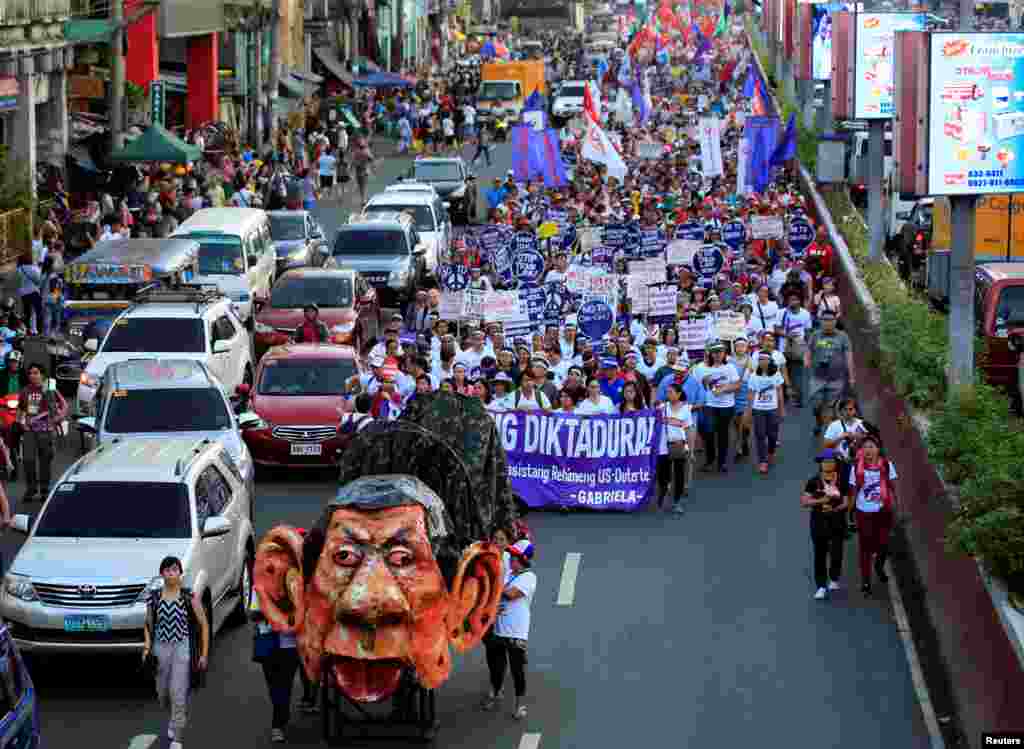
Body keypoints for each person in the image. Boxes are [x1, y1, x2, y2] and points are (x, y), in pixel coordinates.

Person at [142, 556, 210, 749]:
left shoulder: (189, 597)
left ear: (181, 573)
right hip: (160, 647)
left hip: (182, 647)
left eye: (175, 570)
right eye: (167, 570)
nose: (171, 574)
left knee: (178, 692)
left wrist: (203, 654)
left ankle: (178, 737)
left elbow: (204, 625)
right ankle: (173, 719)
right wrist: (147, 648)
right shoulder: (154, 597)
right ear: (162, 573)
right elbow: (148, 624)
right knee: (162, 692)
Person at [485, 540, 537, 720]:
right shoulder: (507, 575)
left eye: (514, 557)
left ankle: (519, 704)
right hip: (499, 630)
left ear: (522, 559)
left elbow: (511, 594)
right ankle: (496, 692)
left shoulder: (529, 578)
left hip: (516, 632)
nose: (511, 560)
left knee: (517, 670)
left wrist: (493, 587)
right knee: (496, 667)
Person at [852, 434, 899, 596]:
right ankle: (866, 581)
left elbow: (893, 488)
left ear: (878, 449)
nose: (868, 450)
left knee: (884, 544)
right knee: (865, 548)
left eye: (872, 447)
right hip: (864, 512)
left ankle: (879, 565)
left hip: (884, 511)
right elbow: (853, 491)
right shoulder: (856, 468)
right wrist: (850, 515)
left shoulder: (887, 465)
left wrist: (895, 508)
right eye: (865, 447)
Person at [801, 448, 850, 600]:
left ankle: (834, 577)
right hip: (818, 523)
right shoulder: (813, 481)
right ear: (820, 464)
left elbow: (846, 502)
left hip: (837, 522)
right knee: (820, 554)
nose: (827, 465)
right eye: (825, 462)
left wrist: (836, 508)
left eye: (830, 462)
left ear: (835, 464)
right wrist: (820, 501)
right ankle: (821, 586)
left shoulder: (842, 481)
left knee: (837, 552)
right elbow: (804, 501)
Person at [16, 363, 67, 502]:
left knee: (45, 462)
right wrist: (21, 423)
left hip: (46, 432)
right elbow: (20, 410)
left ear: (42, 375)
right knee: (28, 461)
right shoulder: (25, 391)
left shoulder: (49, 389)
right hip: (29, 432)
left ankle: (44, 490)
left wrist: (56, 419)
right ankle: (31, 490)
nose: (33, 375)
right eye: (31, 373)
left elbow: (64, 406)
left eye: (36, 372)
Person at [804, 309, 855, 435]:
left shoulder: (843, 337)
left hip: (836, 380)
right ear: (820, 321)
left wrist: (852, 377)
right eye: (824, 320)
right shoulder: (815, 335)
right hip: (817, 378)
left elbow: (849, 357)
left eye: (830, 320)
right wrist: (806, 359)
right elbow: (808, 350)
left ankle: (830, 435)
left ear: (835, 321)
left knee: (831, 407)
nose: (827, 323)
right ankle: (818, 421)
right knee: (816, 405)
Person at [700, 340, 741, 473]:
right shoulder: (704, 368)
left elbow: (737, 385)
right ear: (711, 354)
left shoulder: (730, 368)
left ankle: (722, 462)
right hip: (709, 405)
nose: (717, 355)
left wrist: (723, 389)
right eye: (714, 352)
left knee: (723, 434)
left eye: (720, 352)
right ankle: (710, 459)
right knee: (709, 433)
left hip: (726, 406)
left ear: (724, 354)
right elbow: (701, 384)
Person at [746, 351, 785, 474]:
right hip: (758, 409)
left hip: (772, 409)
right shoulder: (753, 376)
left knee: (772, 435)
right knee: (760, 435)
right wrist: (748, 411)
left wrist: (781, 409)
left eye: (765, 359)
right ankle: (762, 461)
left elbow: (779, 393)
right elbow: (751, 394)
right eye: (760, 359)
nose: (763, 362)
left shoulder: (776, 375)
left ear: (770, 361)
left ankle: (771, 451)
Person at [657, 382, 694, 513]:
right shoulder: (662, 408)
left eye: (671, 392)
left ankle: (677, 502)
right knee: (663, 474)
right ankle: (663, 493)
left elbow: (689, 430)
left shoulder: (685, 409)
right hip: (663, 446)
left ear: (678, 394)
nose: (668, 394)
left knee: (679, 474)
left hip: (679, 445)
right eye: (667, 392)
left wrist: (690, 449)